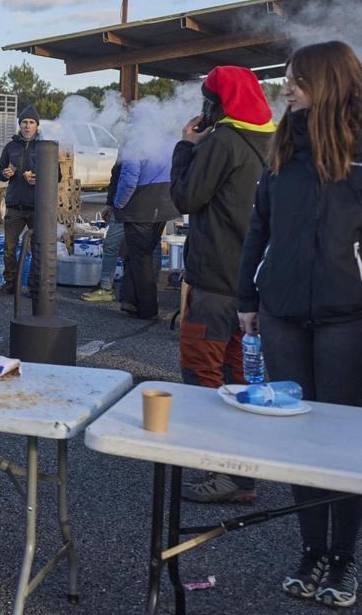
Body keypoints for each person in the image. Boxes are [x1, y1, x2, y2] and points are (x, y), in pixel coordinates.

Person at [237, 41, 362, 608]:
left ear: (327, 82)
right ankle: (311, 548)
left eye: (295, 81)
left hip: (354, 317)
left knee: (342, 443)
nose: (285, 89)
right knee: (299, 436)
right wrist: (247, 296)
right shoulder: (284, 146)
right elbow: (259, 228)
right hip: (282, 315)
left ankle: (344, 559)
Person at [169, 66, 275, 504]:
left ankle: (218, 468)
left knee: (202, 371)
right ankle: (243, 472)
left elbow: (185, 197)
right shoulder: (274, 141)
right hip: (252, 284)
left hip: (213, 280)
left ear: (219, 103)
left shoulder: (221, 142)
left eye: (207, 99)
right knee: (238, 376)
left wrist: (184, 147)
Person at [112, 134, 178, 321]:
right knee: (142, 253)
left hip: (141, 206)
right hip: (164, 203)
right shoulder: (168, 140)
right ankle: (131, 301)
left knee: (140, 257)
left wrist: (119, 204)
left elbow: (129, 179)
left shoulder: (135, 141)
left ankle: (147, 307)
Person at [0, 107, 46, 298]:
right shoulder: (11, 147)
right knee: (9, 248)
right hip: (14, 205)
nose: (27, 126)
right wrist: (5, 173)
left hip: (35, 206)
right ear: (20, 125)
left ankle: (34, 287)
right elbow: (0, 171)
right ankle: (10, 284)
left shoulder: (44, 146)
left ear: (37, 126)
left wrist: (37, 178)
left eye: (31, 122)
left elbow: (55, 176)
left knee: (37, 248)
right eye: (24, 122)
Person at [81, 163, 124, 303]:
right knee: (144, 249)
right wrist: (110, 203)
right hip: (148, 204)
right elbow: (116, 176)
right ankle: (145, 294)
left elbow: (125, 179)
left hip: (128, 207)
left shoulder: (132, 149)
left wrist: (116, 204)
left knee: (111, 245)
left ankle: (106, 288)